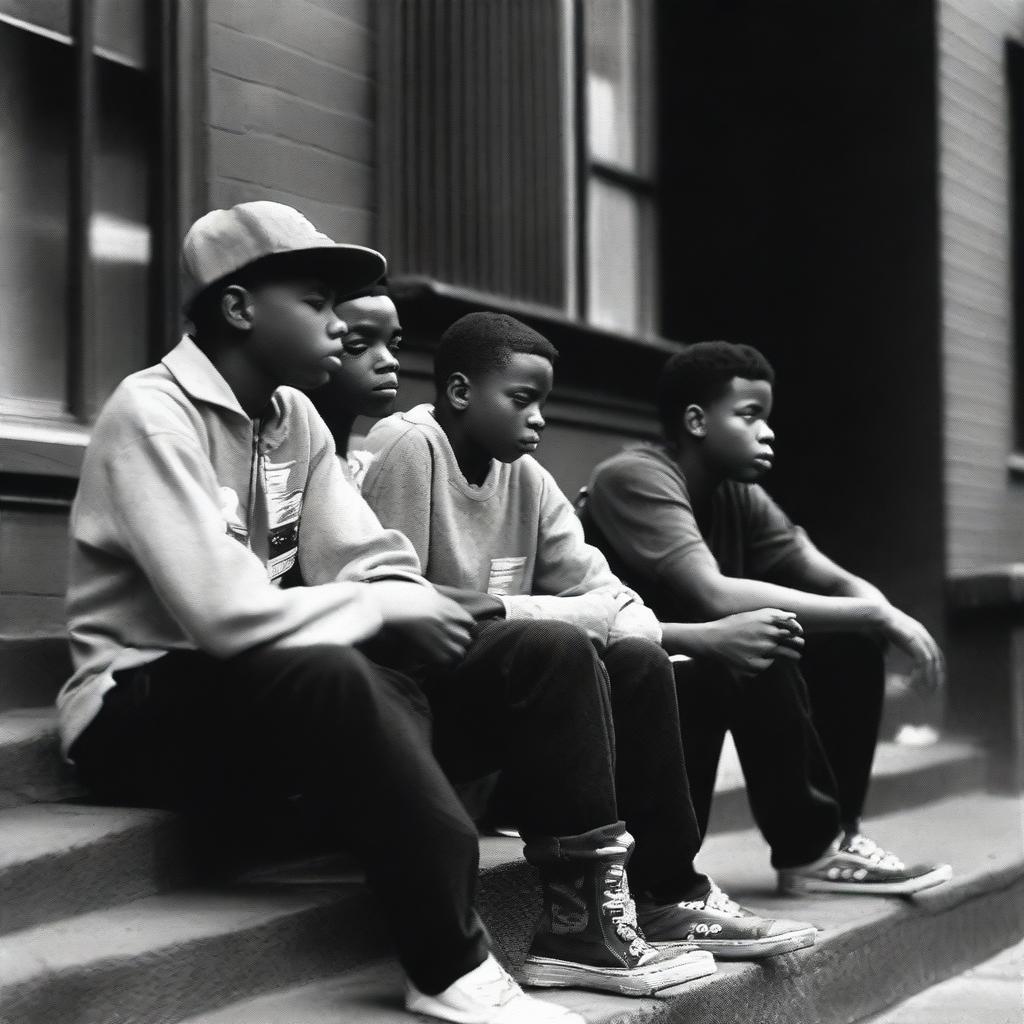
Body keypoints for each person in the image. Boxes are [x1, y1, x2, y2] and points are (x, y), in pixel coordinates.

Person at [57, 201, 724, 1024]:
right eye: (317, 303)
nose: (340, 326)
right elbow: (223, 616)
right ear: (238, 308)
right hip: (141, 703)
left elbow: (373, 561)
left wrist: (405, 605)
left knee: (541, 651)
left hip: (272, 684)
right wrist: (379, 612)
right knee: (340, 670)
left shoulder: (293, 416)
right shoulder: (151, 412)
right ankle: (448, 963)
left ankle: (579, 928)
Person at [361, 311, 818, 964]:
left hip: (502, 720)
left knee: (639, 659)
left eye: (544, 402)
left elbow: (612, 600)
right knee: (558, 644)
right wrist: (550, 616)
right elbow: (399, 600)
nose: (540, 419)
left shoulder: (526, 476)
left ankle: (663, 893)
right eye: (522, 400)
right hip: (416, 719)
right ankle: (577, 922)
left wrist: (534, 614)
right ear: (461, 393)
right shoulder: (409, 446)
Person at [581, 340, 952, 896]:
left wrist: (877, 614)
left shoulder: (740, 496)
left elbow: (827, 576)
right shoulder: (632, 477)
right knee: (762, 644)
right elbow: (713, 594)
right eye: (750, 416)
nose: (768, 431)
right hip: (620, 692)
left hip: (694, 671)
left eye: (767, 418)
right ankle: (793, 847)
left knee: (845, 643)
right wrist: (878, 612)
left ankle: (830, 844)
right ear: (696, 421)